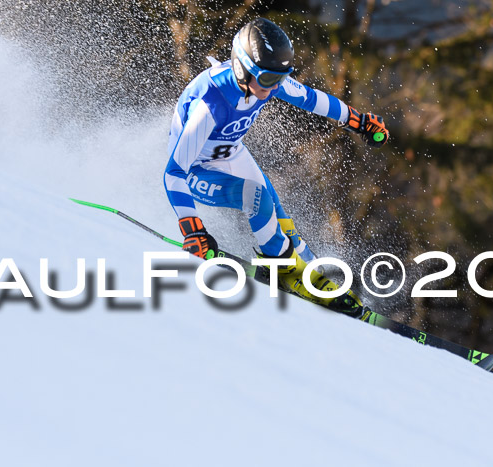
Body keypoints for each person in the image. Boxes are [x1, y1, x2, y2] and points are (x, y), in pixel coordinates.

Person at [164, 18, 388, 317]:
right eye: (269, 80)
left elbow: (310, 98)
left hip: (231, 153)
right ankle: (285, 272)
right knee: (256, 197)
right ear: (243, 69)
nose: (274, 88)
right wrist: (193, 229)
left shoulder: (266, 79)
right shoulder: (211, 103)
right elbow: (173, 172)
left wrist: (357, 121)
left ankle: (319, 279)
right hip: (196, 170)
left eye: (281, 79)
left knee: (280, 217)